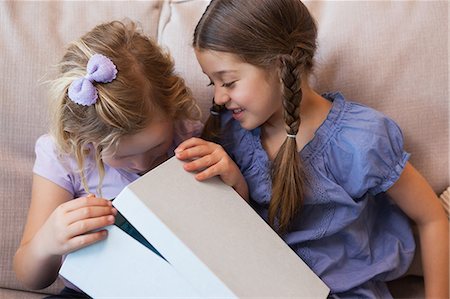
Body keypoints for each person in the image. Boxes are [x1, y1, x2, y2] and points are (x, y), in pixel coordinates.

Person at [174, 0, 449, 298]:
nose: (217, 98)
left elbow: (431, 218)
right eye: (211, 83)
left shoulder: (360, 140)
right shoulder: (232, 132)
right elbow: (238, 235)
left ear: (280, 67)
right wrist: (235, 184)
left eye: (228, 82)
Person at [13, 20, 203, 297]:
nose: (142, 165)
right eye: (123, 156)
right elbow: (29, 276)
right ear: (86, 141)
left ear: (173, 108)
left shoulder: (187, 137)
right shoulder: (64, 156)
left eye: (156, 147)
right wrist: (48, 242)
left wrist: (229, 177)